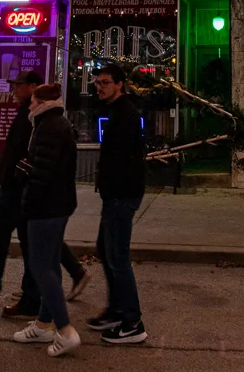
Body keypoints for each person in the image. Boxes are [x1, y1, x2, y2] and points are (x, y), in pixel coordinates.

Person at [0, 72, 89, 321]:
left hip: (22, 189)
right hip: (16, 187)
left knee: (22, 246)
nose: (14, 90)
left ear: (34, 88)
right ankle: (30, 296)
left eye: (19, 86)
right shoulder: (31, 116)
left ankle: (28, 306)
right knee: (25, 245)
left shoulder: (41, 120)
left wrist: (23, 181)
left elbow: (40, 160)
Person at [13, 82, 81, 355]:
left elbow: (43, 172)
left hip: (47, 207)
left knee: (42, 267)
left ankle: (65, 330)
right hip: (57, 204)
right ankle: (43, 324)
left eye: (32, 101)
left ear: (41, 102)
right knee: (50, 264)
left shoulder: (49, 126)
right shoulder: (53, 124)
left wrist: (27, 199)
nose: (28, 106)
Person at [88, 63, 149, 344]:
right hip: (114, 195)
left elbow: (128, 160)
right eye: (97, 83)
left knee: (118, 257)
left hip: (121, 197)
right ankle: (116, 310)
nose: (99, 87)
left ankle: (132, 322)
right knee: (105, 249)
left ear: (119, 85)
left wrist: (115, 188)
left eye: (105, 83)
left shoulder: (125, 114)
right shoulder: (116, 111)